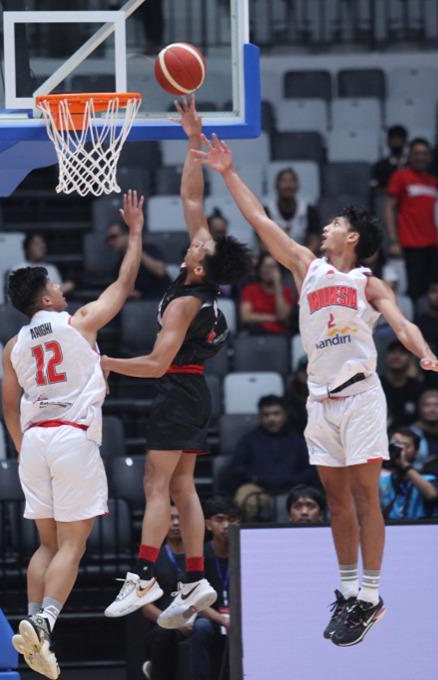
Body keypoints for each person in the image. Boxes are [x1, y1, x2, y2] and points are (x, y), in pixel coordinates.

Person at [195, 130, 438, 646]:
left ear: (352, 238)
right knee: (336, 502)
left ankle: (373, 594)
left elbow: (401, 324)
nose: (326, 229)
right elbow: (260, 221)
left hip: (359, 396)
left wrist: (423, 352)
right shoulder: (305, 268)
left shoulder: (367, 282)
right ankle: (349, 591)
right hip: (320, 401)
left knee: (364, 497)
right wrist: (227, 174)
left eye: (334, 224)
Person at [103, 98, 251, 631]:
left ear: (202, 266)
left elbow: (155, 362)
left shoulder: (189, 302)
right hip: (194, 394)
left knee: (155, 486)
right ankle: (193, 579)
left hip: (176, 389)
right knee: (184, 485)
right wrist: (194, 134)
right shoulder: (201, 277)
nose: (191, 246)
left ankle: (143, 573)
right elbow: (193, 193)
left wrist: (108, 362)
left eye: (197, 249)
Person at [3, 191, 146, 679]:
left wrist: (27, 450)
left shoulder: (13, 345)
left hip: (34, 442)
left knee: (45, 544)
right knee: (73, 545)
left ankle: (33, 620)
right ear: (46, 298)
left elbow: (7, 407)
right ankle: (44, 622)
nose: (63, 288)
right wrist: (136, 234)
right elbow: (124, 285)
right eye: (55, 285)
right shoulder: (79, 322)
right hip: (71, 437)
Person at [229, 395, 315, 520]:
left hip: (294, 487)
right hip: (258, 486)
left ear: (285, 414)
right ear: (260, 416)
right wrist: (255, 478)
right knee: (244, 497)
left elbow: (311, 469)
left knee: (309, 500)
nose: (271, 419)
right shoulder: (249, 439)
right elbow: (237, 467)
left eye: (276, 413)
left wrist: (292, 479)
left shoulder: (297, 440)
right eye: (266, 414)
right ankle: (245, 537)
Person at [383, 138, 438, 301]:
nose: (420, 157)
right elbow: (389, 208)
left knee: (433, 291)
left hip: (432, 244)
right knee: (415, 292)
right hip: (410, 245)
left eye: (424, 153)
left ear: (430, 157)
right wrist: (394, 241)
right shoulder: (400, 177)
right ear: (409, 156)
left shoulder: (432, 181)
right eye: (416, 153)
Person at [189, 496, 237, 680]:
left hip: (239, 617)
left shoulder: (246, 551)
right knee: (201, 627)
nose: (226, 525)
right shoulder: (199, 555)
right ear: (208, 524)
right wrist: (222, 620)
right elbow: (194, 600)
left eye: (232, 520)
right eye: (220, 519)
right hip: (211, 617)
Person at [140, 504, 188, 680]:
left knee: (205, 629)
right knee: (162, 634)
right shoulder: (151, 560)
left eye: (180, 518)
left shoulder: (200, 555)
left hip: (199, 619)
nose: (175, 523)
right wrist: (175, 622)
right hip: (167, 622)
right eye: (170, 519)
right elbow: (146, 607)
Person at [380, 428, 438, 520]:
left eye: (405, 446)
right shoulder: (381, 481)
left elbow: (431, 495)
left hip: (421, 530)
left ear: (416, 453)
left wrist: (405, 465)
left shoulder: (428, 479)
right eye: (395, 444)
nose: (399, 449)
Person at [105, 220, 170, 299]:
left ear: (128, 234)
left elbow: (160, 271)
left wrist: (136, 250)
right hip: (143, 304)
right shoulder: (118, 266)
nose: (110, 242)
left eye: (114, 237)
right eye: (108, 239)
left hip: (163, 299)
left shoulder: (150, 249)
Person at [239, 253, 295, 335]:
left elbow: (282, 316)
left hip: (280, 336)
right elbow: (246, 317)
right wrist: (273, 318)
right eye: (265, 266)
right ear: (259, 270)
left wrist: (278, 285)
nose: (268, 270)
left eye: (272, 267)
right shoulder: (250, 289)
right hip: (256, 334)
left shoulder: (286, 291)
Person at [264, 167, 319, 244]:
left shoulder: (309, 211)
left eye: (291, 181)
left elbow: (314, 241)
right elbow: (262, 243)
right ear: (276, 186)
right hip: (273, 254)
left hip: (302, 254)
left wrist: (303, 255)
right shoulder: (266, 211)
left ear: (297, 186)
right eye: (283, 181)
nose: (288, 185)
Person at [381, 341, 423, 429]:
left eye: (402, 353)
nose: (397, 357)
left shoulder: (417, 387)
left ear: (410, 359)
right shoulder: (376, 385)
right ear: (386, 357)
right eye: (393, 352)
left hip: (410, 435)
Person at [371, 125, 408, 189]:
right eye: (393, 139)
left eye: (399, 138)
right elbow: (376, 188)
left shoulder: (412, 165)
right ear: (387, 142)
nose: (396, 141)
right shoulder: (379, 166)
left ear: (405, 142)